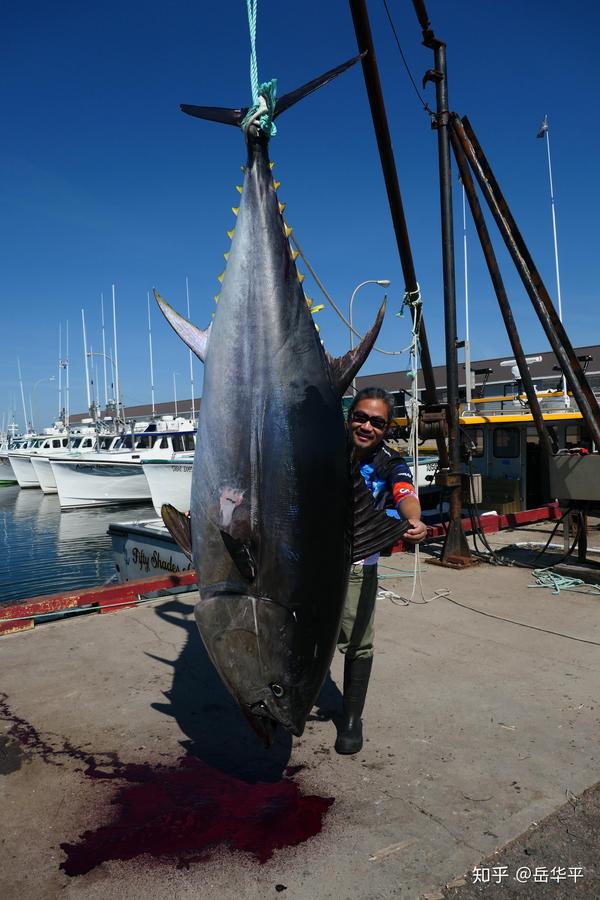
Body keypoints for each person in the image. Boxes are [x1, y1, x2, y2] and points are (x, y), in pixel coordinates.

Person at [335, 387, 427, 754]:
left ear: (386, 428)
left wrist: (415, 520)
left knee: (358, 643)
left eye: (377, 422)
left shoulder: (391, 462)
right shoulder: (323, 449)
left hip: (358, 566)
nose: (366, 426)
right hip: (311, 563)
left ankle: (352, 718)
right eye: (360, 417)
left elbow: (405, 493)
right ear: (349, 417)